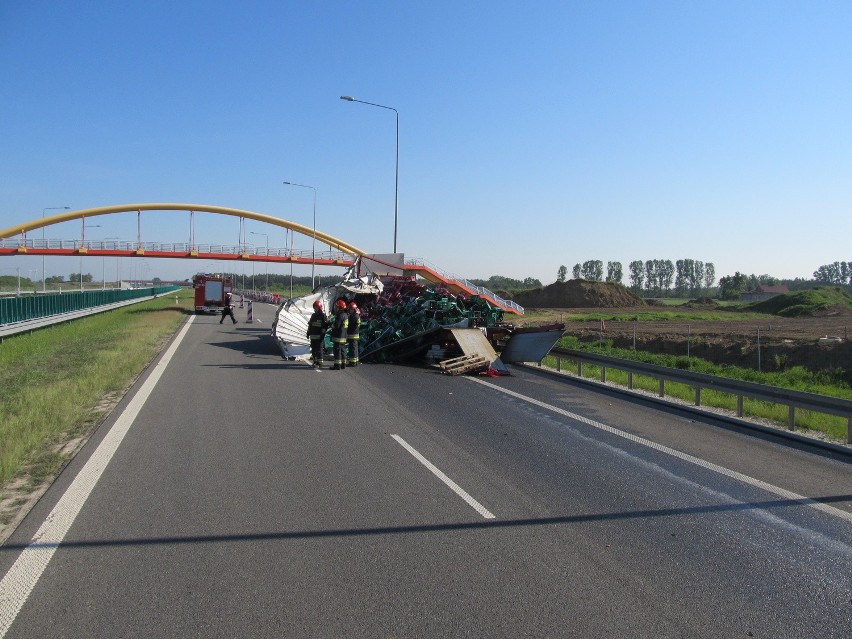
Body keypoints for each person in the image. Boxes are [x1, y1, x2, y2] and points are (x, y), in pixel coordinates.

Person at [306, 299, 329, 369]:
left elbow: (325, 326)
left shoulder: (323, 316)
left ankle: (320, 363)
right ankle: (315, 361)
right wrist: (308, 332)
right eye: (314, 307)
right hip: (313, 336)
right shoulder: (313, 315)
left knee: (319, 350)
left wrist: (322, 335)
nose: (315, 309)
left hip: (319, 336)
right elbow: (310, 325)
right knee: (314, 350)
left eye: (316, 307)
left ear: (319, 307)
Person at [330, 298, 348, 370]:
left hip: (338, 337)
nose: (336, 308)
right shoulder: (345, 315)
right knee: (343, 351)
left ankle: (337, 366)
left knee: (337, 352)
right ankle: (343, 364)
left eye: (337, 307)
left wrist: (331, 324)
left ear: (340, 308)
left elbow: (336, 326)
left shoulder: (339, 316)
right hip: (343, 337)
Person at [346, 301, 361, 367]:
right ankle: (355, 361)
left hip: (353, 335)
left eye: (351, 309)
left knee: (352, 349)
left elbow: (351, 325)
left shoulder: (355, 316)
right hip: (354, 335)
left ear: (354, 309)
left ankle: (352, 362)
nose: (350, 310)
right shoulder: (355, 315)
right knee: (355, 349)